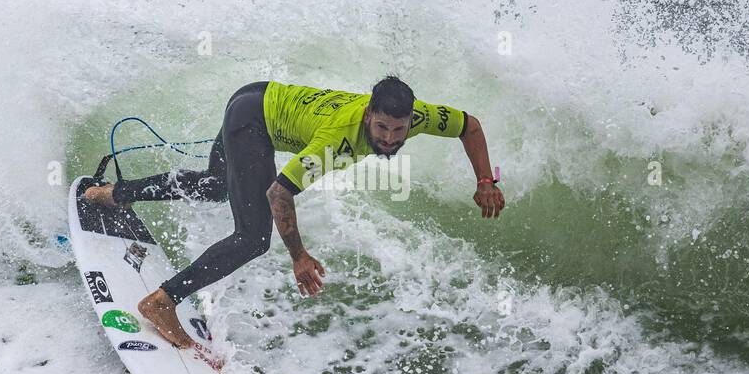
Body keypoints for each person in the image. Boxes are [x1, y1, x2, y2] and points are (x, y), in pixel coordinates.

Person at [84, 75, 504, 348]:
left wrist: (485, 181)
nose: (391, 140)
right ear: (367, 115)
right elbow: (278, 194)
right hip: (253, 119)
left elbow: (470, 126)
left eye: (399, 131)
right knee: (252, 238)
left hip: (254, 96)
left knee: (216, 185)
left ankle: (112, 194)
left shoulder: (417, 118)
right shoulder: (338, 139)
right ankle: (162, 301)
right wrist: (299, 257)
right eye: (381, 129)